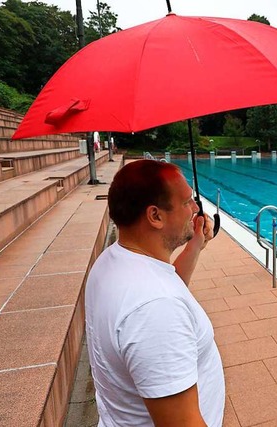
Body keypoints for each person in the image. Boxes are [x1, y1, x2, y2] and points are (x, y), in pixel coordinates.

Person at [85, 160, 224, 427]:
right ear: (155, 216)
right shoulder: (155, 308)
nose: (196, 209)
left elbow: (167, 284)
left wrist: (195, 246)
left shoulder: (113, 261)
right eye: (186, 202)